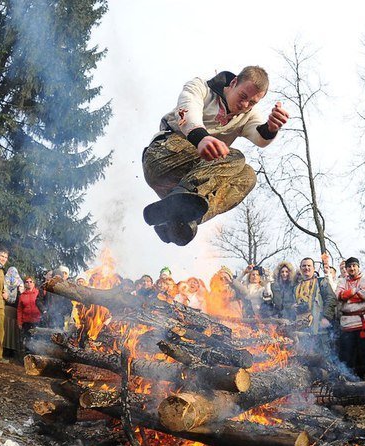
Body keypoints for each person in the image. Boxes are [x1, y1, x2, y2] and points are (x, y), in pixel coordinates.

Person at [142, 66, 289, 245]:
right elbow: (187, 108)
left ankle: (181, 221)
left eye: (252, 103)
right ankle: (184, 197)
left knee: (248, 176)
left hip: (184, 178)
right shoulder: (201, 87)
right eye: (242, 96)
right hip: (163, 157)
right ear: (234, 83)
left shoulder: (247, 115)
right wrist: (200, 137)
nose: (244, 105)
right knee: (235, 157)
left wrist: (271, 128)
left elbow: (259, 136)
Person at [336, 257, 365, 380]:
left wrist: (347, 296)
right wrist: (355, 291)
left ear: (358, 266)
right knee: (348, 356)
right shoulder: (341, 281)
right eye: (349, 266)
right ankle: (351, 382)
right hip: (347, 325)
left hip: (363, 323)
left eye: (354, 265)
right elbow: (338, 295)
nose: (351, 268)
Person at [292, 258, 337, 351]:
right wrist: (293, 307)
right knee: (305, 358)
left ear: (314, 268)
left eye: (309, 265)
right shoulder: (296, 287)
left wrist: (326, 317)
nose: (306, 268)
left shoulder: (322, 282)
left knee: (324, 358)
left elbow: (331, 299)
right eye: (304, 266)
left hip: (319, 327)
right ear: (300, 268)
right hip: (302, 330)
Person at [17, 276, 42, 354]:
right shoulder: (22, 296)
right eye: (27, 282)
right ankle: (28, 358)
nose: (29, 283)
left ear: (34, 283)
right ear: (25, 284)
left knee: (37, 339)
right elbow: (19, 310)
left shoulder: (38, 293)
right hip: (26, 321)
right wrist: (19, 322)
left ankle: (37, 357)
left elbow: (43, 305)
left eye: (31, 282)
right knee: (28, 340)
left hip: (37, 320)